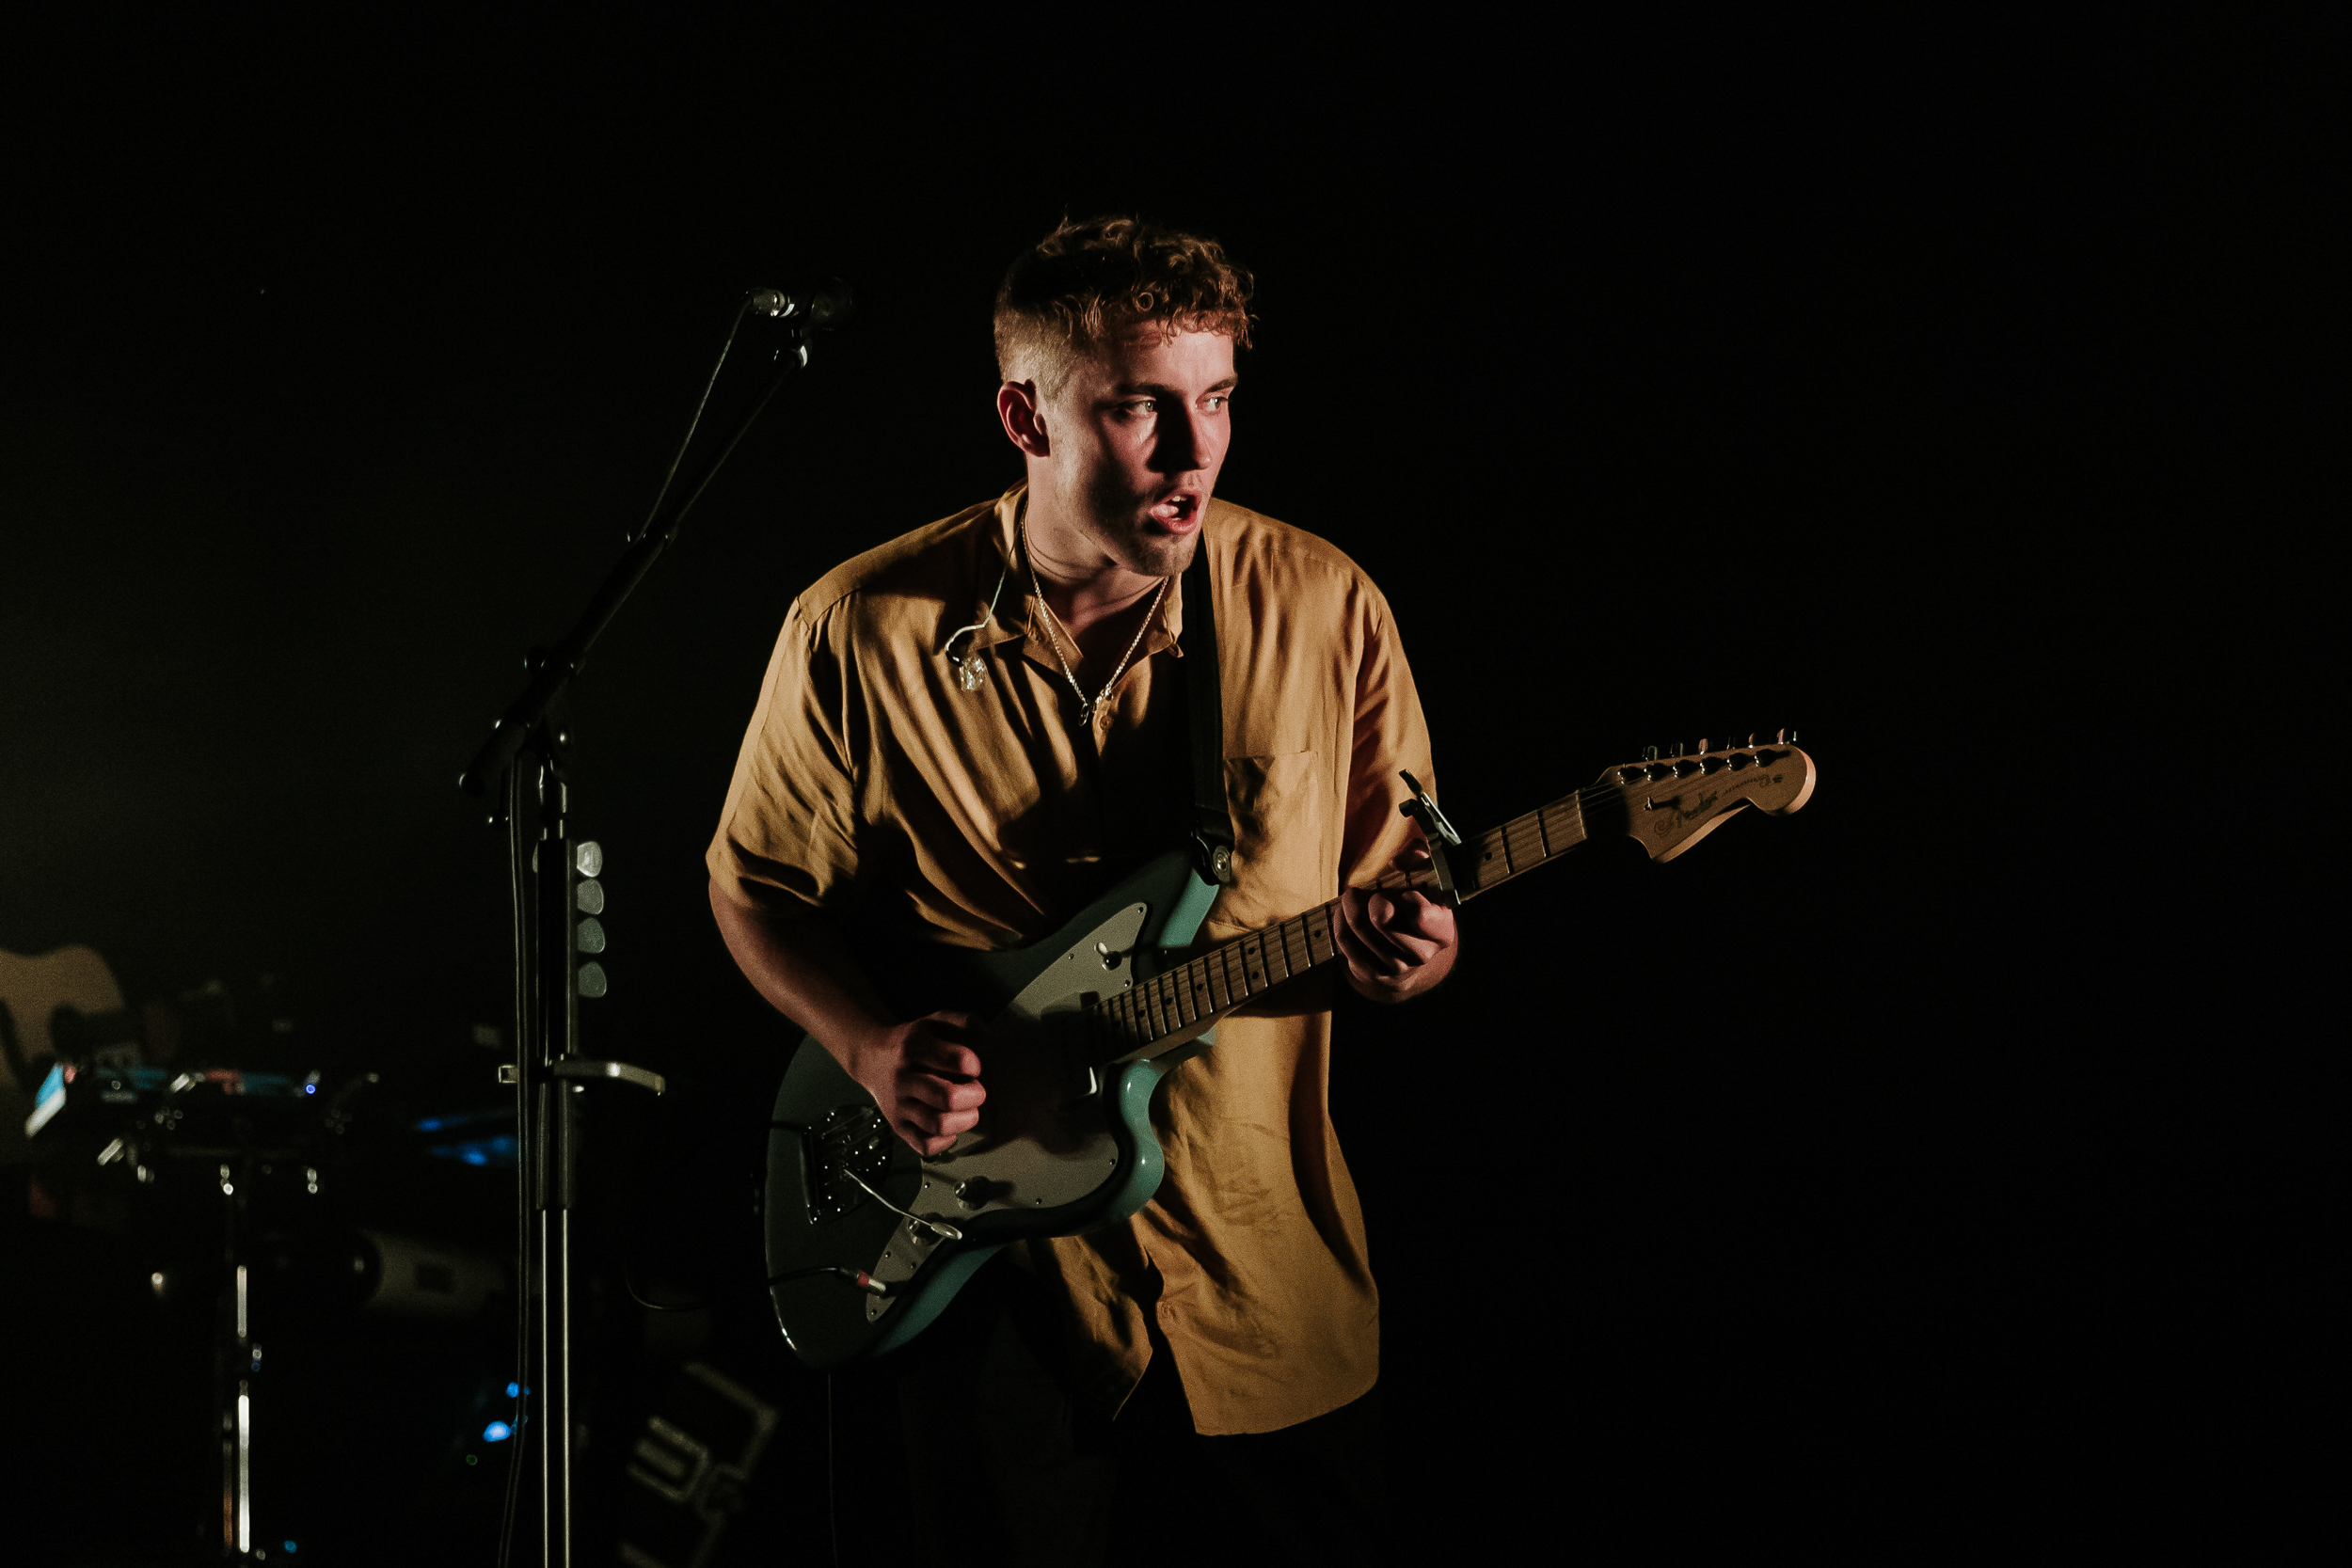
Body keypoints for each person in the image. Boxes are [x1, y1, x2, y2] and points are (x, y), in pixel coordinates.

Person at [706, 215, 1456, 1562]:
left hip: (1262, 1286)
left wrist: (1416, 950)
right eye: (1139, 410)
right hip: (991, 1290)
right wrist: (870, 1048)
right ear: (1025, 414)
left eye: (1217, 400)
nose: (1195, 453)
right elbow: (753, 888)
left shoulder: (1326, 604)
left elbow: (1405, 895)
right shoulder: (858, 626)